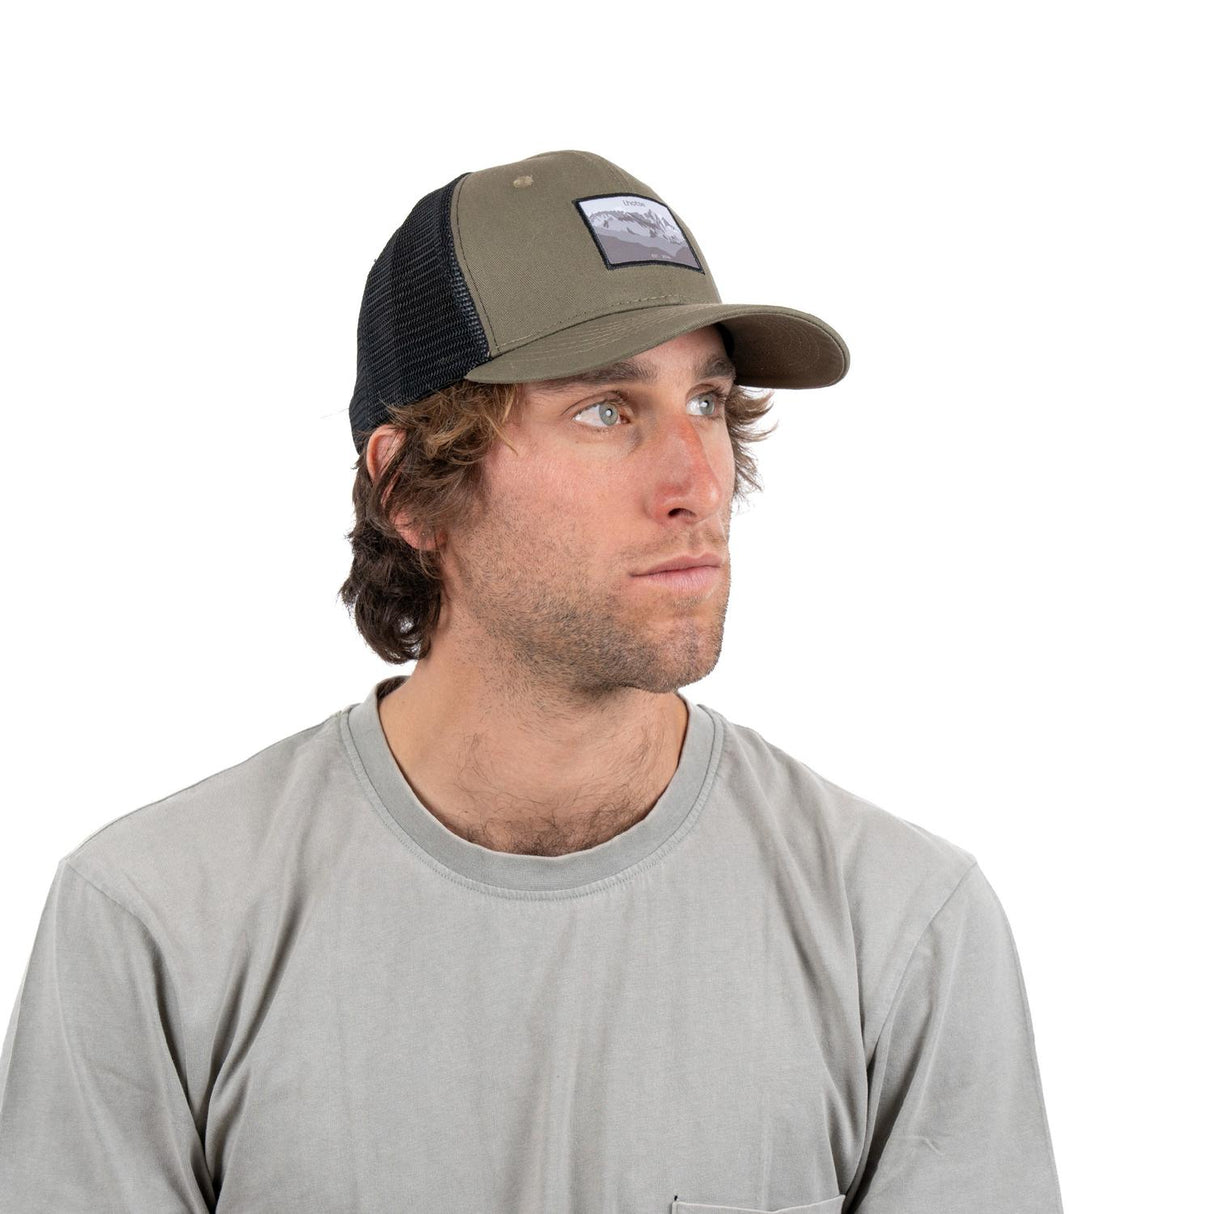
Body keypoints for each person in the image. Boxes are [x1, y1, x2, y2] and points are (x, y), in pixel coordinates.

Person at [0, 150, 1065, 1212]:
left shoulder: (900, 928)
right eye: (606, 410)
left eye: (705, 399)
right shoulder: (156, 925)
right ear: (411, 489)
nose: (698, 483)